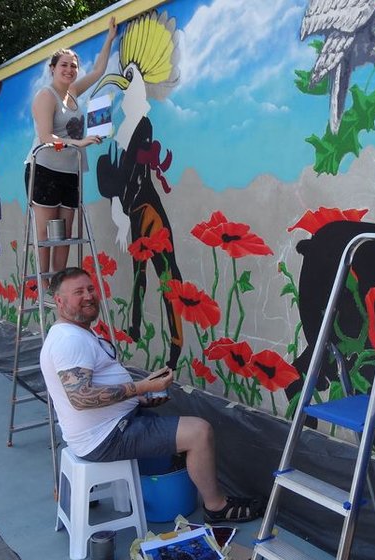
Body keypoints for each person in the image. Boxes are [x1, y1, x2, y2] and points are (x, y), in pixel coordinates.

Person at [39, 267, 264, 523]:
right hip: (107, 437)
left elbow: (91, 388)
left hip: (107, 427)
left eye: (90, 289)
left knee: (178, 422)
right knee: (200, 432)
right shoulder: (69, 340)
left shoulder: (74, 332)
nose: (89, 296)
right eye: (78, 292)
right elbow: (81, 398)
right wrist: (142, 387)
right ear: (59, 301)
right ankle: (216, 506)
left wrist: (138, 398)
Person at [26, 17, 116, 278]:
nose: (69, 70)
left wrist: (109, 38)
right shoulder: (46, 95)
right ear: (52, 68)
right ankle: (42, 286)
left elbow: (98, 71)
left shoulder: (74, 92)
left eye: (73, 66)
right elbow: (45, 137)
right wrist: (77, 143)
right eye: (64, 65)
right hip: (44, 169)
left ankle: (59, 285)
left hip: (71, 170)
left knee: (65, 233)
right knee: (45, 234)